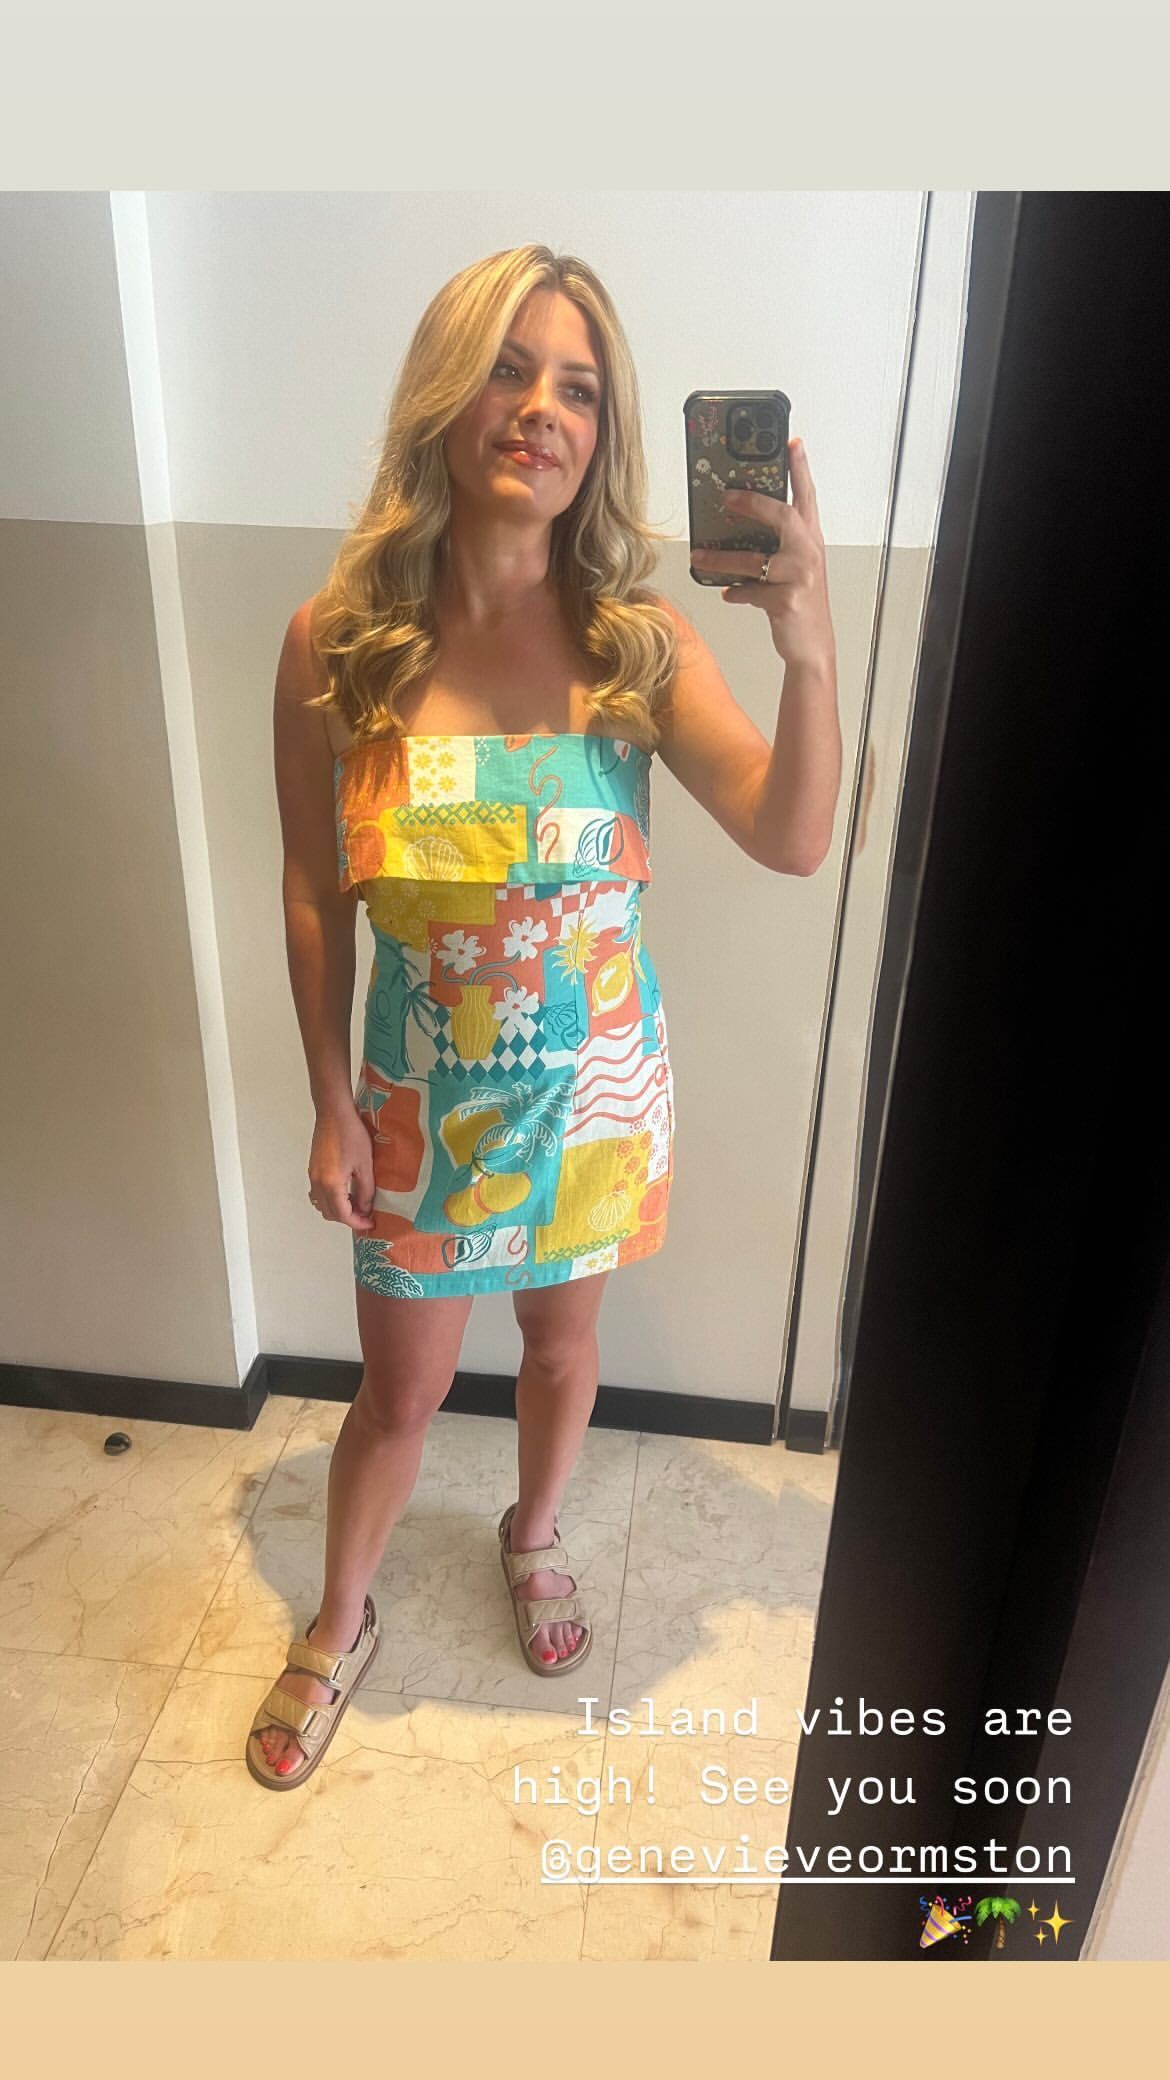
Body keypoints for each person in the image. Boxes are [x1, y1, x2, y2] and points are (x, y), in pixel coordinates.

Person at [248, 243, 841, 1789]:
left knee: (562, 1351)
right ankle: (338, 1618)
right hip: (412, 1106)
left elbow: (791, 838)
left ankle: (532, 1533)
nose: (540, 410)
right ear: (444, 396)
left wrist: (807, 644)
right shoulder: (336, 641)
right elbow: (313, 890)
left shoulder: (637, 643)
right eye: (508, 370)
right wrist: (326, 1099)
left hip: (593, 1094)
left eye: (576, 387)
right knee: (399, 1391)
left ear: (604, 432)